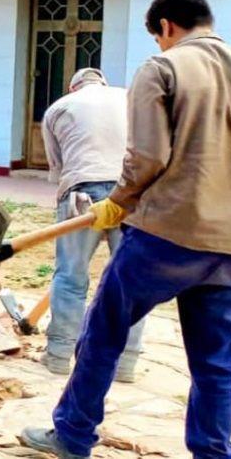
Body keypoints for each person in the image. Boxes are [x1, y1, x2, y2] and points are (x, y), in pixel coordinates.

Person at [21, 0, 231, 459]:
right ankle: (214, 452)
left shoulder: (161, 68)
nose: (160, 45)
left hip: (167, 234)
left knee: (104, 333)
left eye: (158, 37)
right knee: (215, 361)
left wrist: (120, 202)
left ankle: (72, 434)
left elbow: (148, 156)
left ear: (165, 27)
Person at [39, 67, 144, 382]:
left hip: (81, 192)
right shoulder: (130, 99)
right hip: (132, 195)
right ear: (103, 83)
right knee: (131, 282)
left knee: (70, 276)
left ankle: (58, 357)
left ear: (73, 88)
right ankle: (125, 365)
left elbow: (58, 170)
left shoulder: (58, 108)